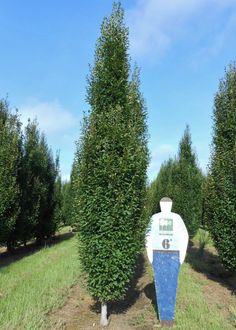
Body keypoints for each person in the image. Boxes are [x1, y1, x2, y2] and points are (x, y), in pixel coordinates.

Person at [146, 197, 188, 327]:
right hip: (160, 254)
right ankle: (164, 319)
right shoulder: (157, 218)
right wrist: (150, 255)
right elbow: (148, 236)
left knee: (170, 286)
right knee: (161, 286)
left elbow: (184, 235)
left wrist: (181, 255)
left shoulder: (175, 218)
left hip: (171, 255)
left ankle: (168, 318)